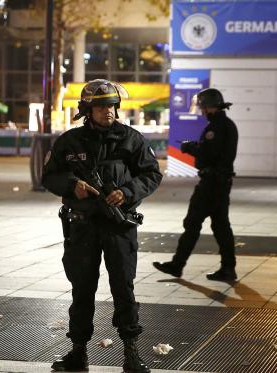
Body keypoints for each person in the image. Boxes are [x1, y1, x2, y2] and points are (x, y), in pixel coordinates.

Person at [42, 79, 162, 373]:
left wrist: (128, 192)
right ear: (87, 110)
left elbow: (151, 174)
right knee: (82, 289)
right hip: (82, 227)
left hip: (119, 228)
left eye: (111, 106)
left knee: (124, 288)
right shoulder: (69, 142)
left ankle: (131, 352)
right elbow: (49, 176)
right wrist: (73, 185)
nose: (107, 111)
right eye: (100, 107)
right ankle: (78, 352)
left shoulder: (131, 139)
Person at [153, 87, 239, 282]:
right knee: (221, 226)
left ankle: (177, 265)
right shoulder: (227, 125)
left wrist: (190, 147)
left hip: (211, 184)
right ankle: (228, 268)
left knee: (192, 223)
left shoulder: (215, 127)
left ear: (209, 107)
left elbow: (209, 154)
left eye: (203, 107)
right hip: (221, 182)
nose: (201, 111)